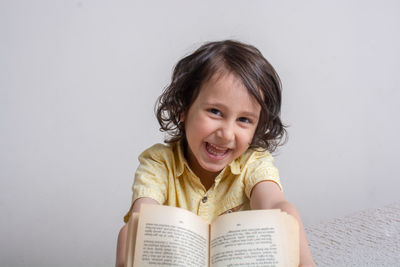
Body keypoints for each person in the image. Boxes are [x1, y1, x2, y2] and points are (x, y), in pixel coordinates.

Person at [116, 40, 315, 266]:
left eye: (244, 120)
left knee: (287, 218)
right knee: (128, 234)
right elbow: (144, 213)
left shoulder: (253, 163)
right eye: (215, 112)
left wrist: (288, 221)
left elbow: (273, 204)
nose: (227, 134)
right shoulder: (159, 162)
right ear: (183, 108)